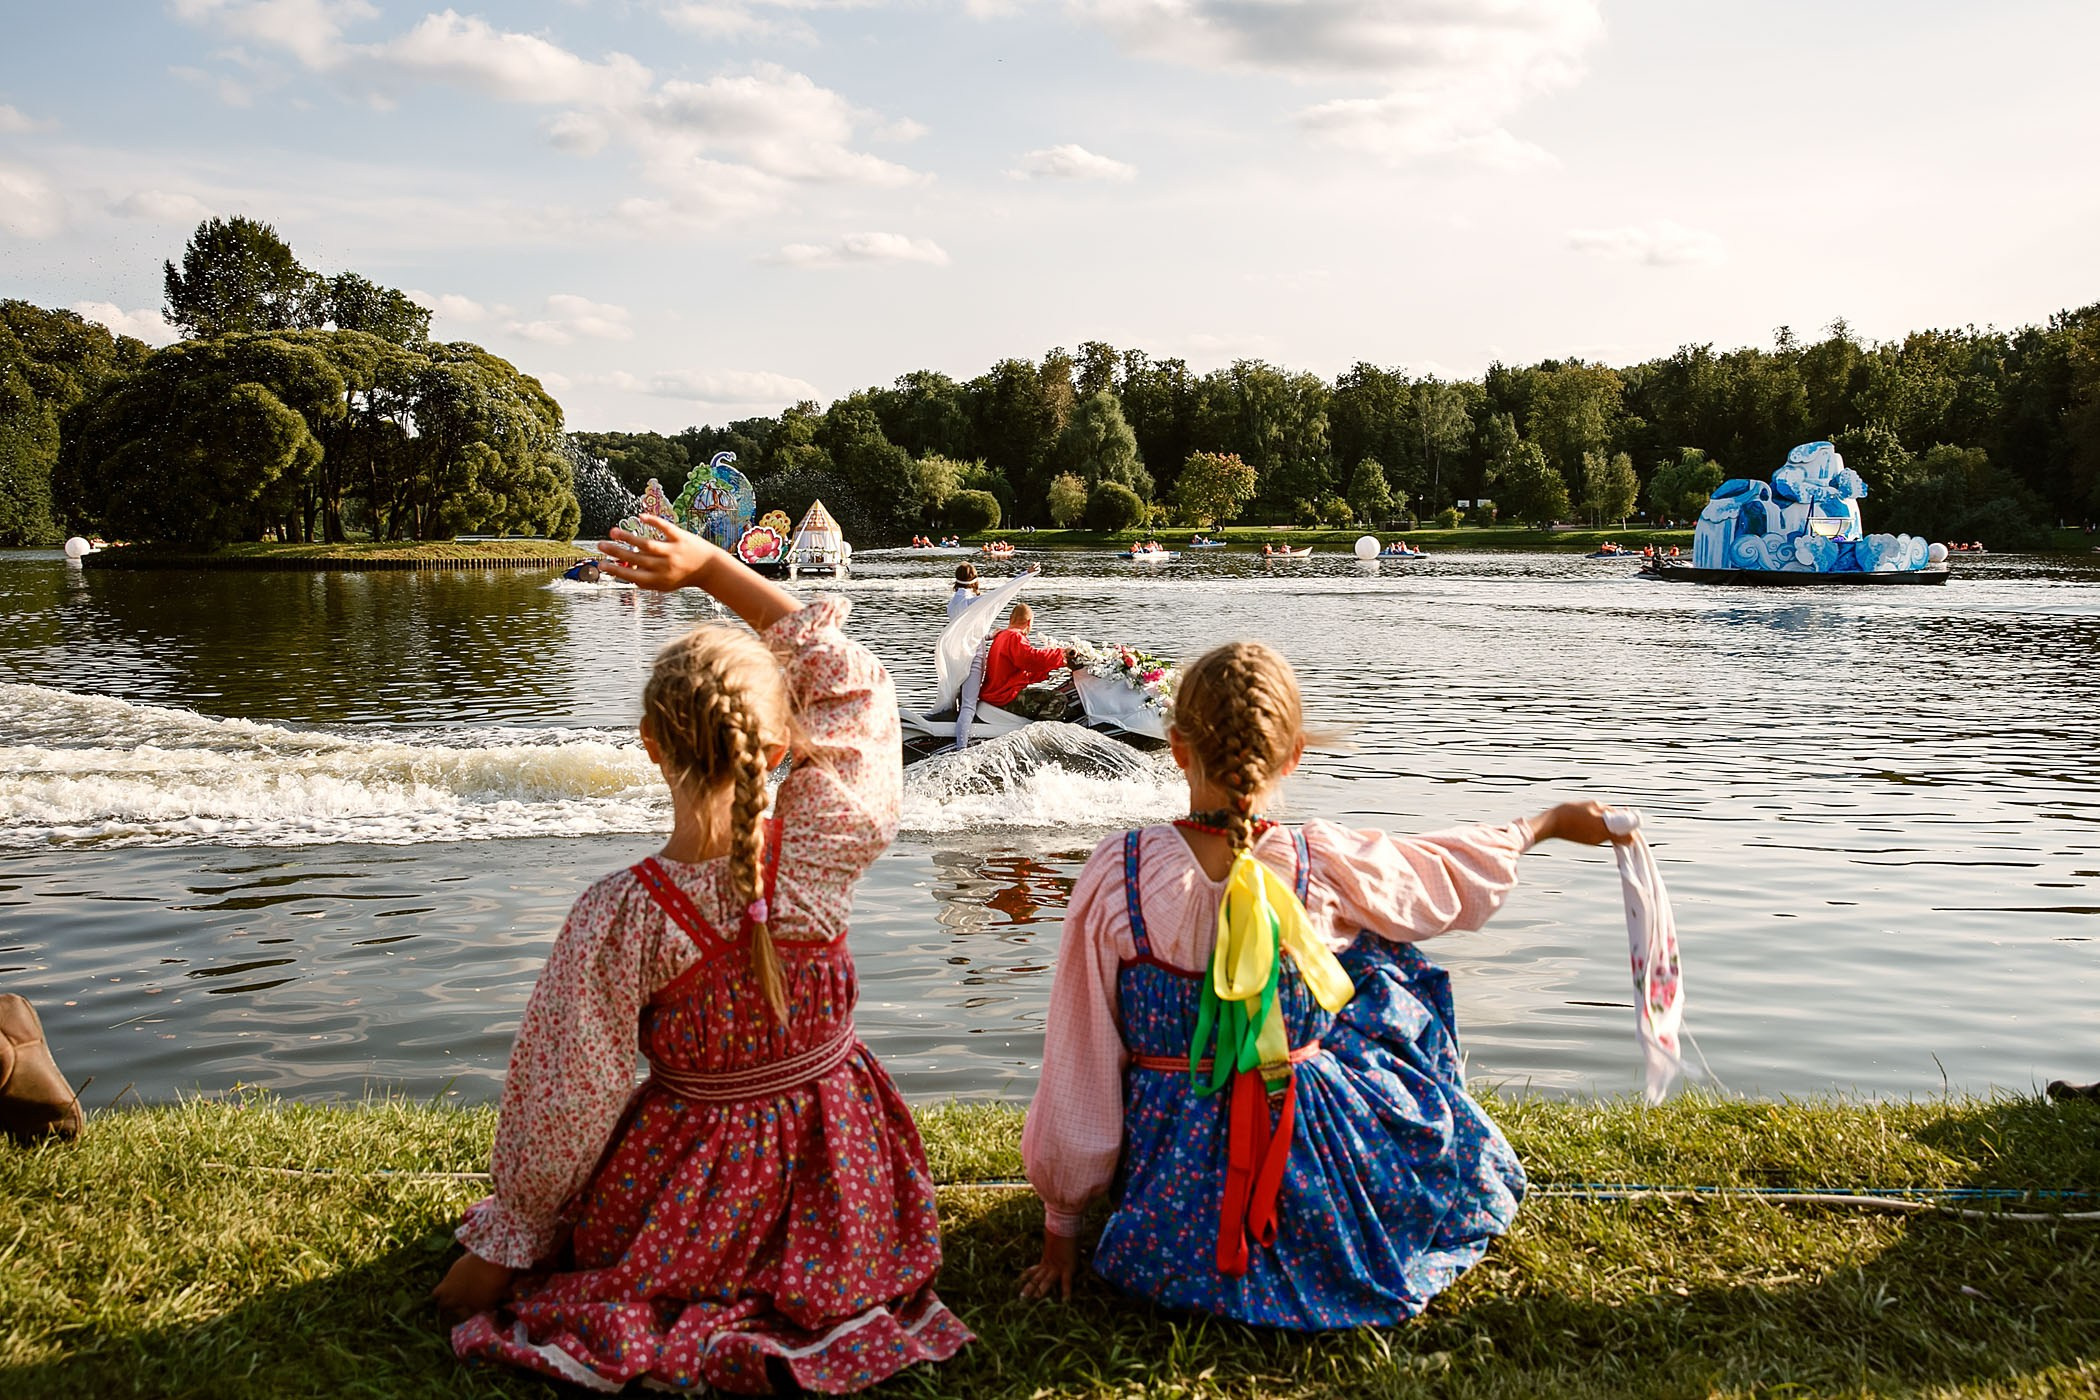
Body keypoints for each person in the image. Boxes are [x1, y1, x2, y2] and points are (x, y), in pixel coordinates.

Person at [436, 514, 971, 1393]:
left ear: (650, 746)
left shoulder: (618, 917)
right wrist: (716, 569)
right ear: (779, 748)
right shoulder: (828, 840)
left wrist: (506, 1244)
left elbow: (568, 1099)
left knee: (632, 1259)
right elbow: (860, 690)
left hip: (688, 1187)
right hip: (842, 1172)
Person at [1017, 639, 1630, 1326]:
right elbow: (1444, 875)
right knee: (1380, 964)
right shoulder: (1322, 862)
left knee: (1360, 962)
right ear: (1294, 755)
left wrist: (1061, 1228)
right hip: (1312, 1172)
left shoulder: (1117, 873)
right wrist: (1543, 823)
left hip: (1171, 1198)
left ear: (1176, 747)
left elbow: (1080, 1064)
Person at [980, 602, 1070, 710]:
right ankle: (1040, 726)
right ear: (1029, 622)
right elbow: (1031, 660)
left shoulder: (1001, 636)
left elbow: (1022, 669)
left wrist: (1049, 670)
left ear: (1010, 618)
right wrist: (1062, 654)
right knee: (1058, 698)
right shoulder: (1015, 636)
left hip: (994, 693)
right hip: (1004, 696)